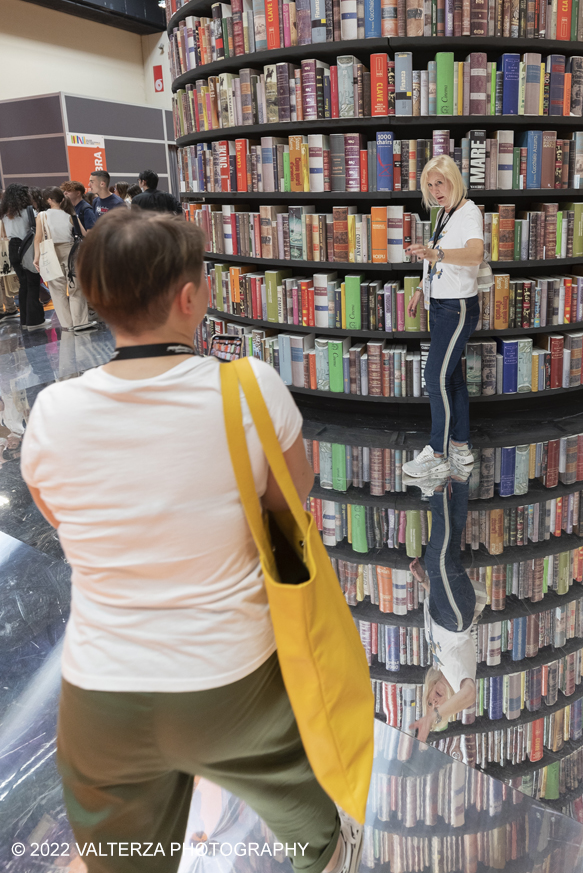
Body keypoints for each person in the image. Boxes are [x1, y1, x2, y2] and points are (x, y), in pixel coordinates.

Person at [20, 210, 362, 873]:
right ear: (187, 298)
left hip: (99, 695)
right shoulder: (247, 389)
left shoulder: (54, 413)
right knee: (316, 838)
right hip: (234, 683)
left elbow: (57, 513)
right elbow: (295, 496)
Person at [401, 155, 484, 488]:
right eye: (430, 184)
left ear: (454, 180)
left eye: (441, 183)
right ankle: (460, 448)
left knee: (434, 378)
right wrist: (421, 289)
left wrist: (438, 254)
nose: (436, 190)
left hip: (457, 307)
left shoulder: (468, 213)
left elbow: (476, 254)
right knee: (452, 379)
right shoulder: (445, 214)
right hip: (440, 305)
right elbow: (439, 262)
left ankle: (437, 455)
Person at [408, 543, 486, 743]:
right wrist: (436, 716)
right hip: (458, 608)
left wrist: (425, 581)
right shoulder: (457, 677)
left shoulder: (439, 662)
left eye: (428, 703)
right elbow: (469, 695)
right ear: (449, 706)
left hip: (445, 601)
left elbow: (438, 621)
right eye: (437, 707)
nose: (434, 702)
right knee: (438, 554)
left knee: (445, 551)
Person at [33, 188, 91, 333]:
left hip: (51, 252)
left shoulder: (42, 215)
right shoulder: (70, 214)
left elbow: (38, 238)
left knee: (57, 290)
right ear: (63, 200)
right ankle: (80, 322)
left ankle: (67, 324)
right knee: (76, 287)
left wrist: (36, 257)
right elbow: (84, 233)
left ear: (48, 200)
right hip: (71, 251)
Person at [0, 184, 46, 330]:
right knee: (32, 283)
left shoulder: (5, 213)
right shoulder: (29, 210)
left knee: (23, 284)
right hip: (27, 247)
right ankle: (35, 321)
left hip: (12, 248)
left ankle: (25, 321)